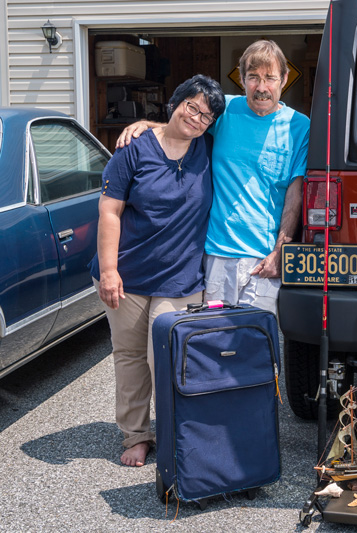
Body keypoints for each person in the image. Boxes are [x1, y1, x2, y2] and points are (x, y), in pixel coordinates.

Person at [117, 40, 310, 314]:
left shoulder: (299, 125)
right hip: (217, 253)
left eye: (270, 78)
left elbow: (295, 192)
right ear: (242, 80)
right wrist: (148, 125)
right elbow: (186, 126)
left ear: (285, 79)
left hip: (264, 258)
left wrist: (281, 251)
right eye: (253, 77)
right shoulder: (225, 111)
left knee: (256, 343)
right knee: (215, 341)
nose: (262, 87)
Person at [91, 75, 225, 466]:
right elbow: (109, 211)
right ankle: (136, 435)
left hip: (180, 279)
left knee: (167, 356)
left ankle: (173, 431)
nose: (197, 118)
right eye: (192, 106)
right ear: (175, 102)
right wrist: (109, 270)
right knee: (130, 357)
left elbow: (252, 101)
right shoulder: (133, 151)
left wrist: (151, 122)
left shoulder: (210, 148)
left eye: (207, 114)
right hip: (127, 276)